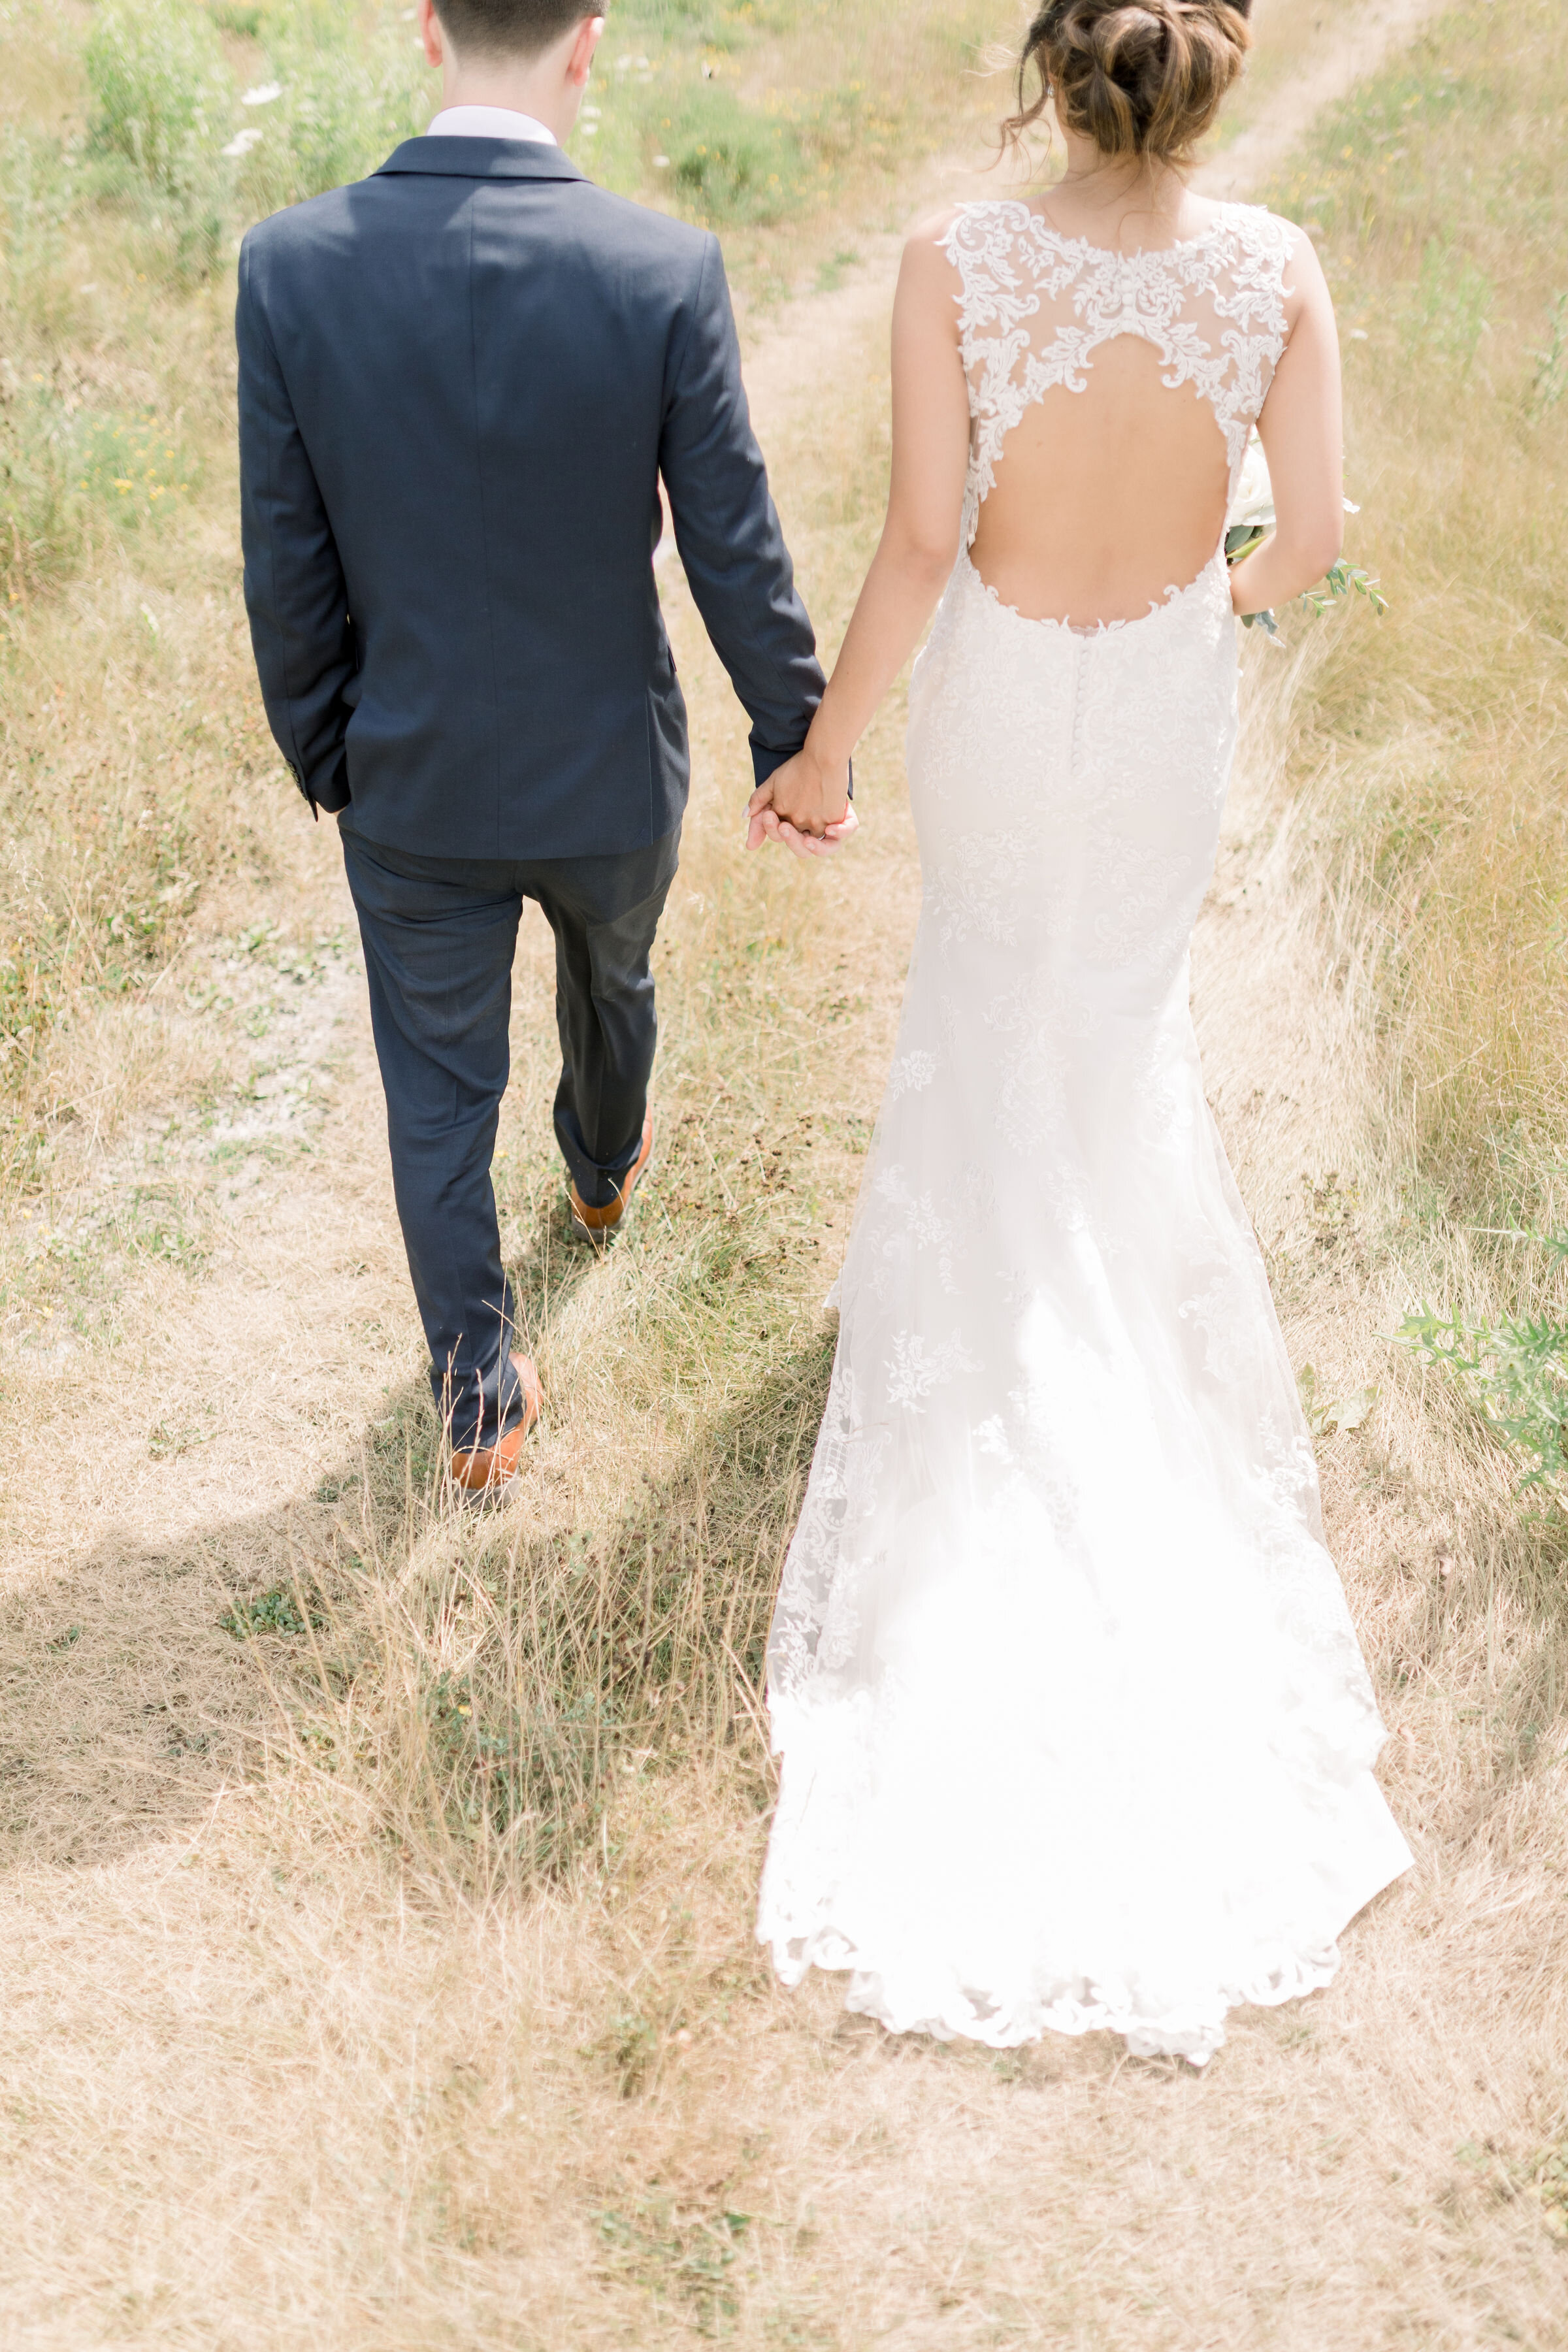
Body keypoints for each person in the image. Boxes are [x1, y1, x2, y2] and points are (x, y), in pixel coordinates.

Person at [750, 0, 1413, 2065]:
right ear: (1209, 87)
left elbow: (929, 543)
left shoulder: (960, 265)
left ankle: (999, 1335)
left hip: (1008, 703)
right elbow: (1306, 543)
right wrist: (1204, 607)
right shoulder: (1275, 271)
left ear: (1050, 75)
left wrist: (821, 750)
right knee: (1117, 1033)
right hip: (1154, 709)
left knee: (990, 998)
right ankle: (1098, 1321)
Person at [237, 0, 825, 1493]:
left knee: (435, 1088)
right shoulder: (662, 268)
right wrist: (792, 736)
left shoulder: (290, 266)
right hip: (611, 767)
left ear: (425, 30)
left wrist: (330, 753)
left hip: (410, 773)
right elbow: (732, 544)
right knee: (611, 975)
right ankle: (600, 1166)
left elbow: (285, 558)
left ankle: (479, 1388)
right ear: (590, 42)